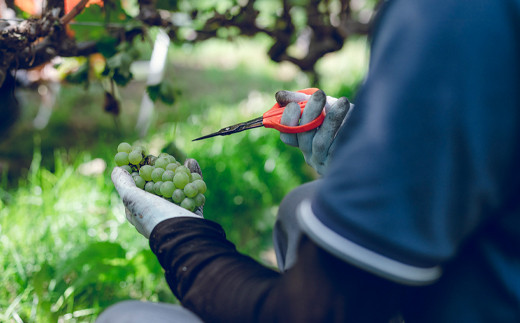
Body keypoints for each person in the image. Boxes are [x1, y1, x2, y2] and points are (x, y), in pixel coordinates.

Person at [98, 0, 520, 322]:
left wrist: (179, 236)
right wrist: (376, 150)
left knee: (123, 318)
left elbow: (307, 312)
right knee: (299, 209)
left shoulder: (451, 18)